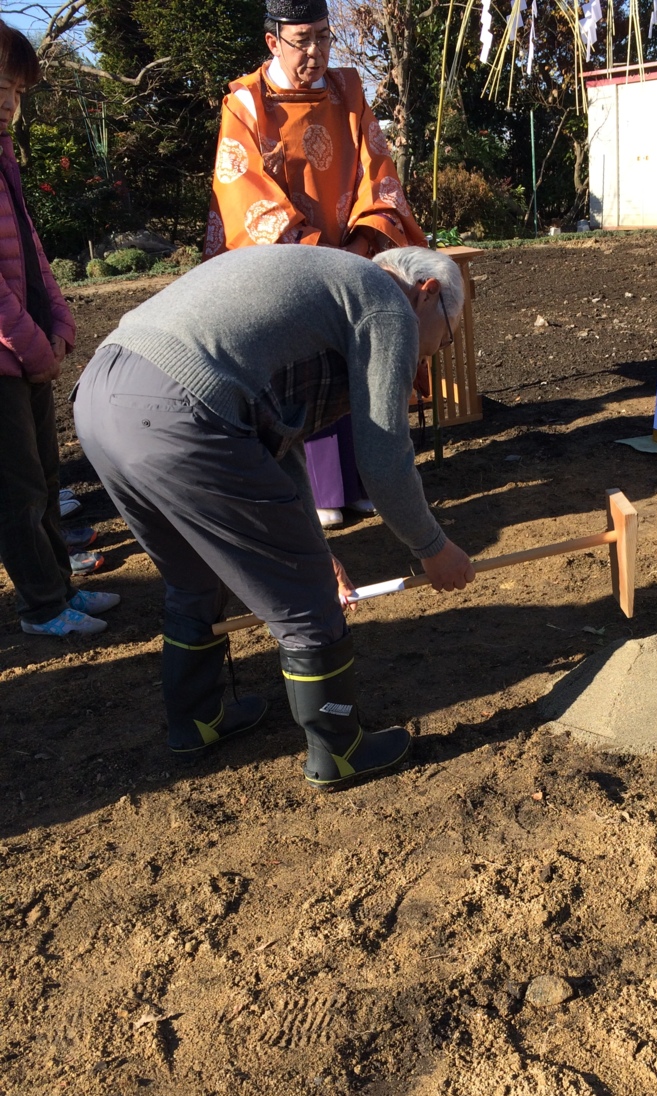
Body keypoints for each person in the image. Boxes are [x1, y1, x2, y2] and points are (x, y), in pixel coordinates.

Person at [72, 244, 475, 788]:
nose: (429, 357)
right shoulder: (387, 304)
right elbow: (383, 459)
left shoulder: (325, 289)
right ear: (426, 293)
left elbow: (272, 447)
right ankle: (340, 751)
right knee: (306, 601)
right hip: (182, 409)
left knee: (196, 575)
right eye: (442, 339)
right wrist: (433, 547)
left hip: (102, 396)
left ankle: (198, 722)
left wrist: (316, 547)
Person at [204, 0, 428, 529]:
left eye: (324, 38)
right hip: (286, 263)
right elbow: (243, 193)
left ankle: (363, 480)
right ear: (272, 41)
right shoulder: (245, 103)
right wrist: (319, 261)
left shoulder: (348, 90)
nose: (316, 52)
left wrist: (360, 247)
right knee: (303, 369)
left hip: (352, 249)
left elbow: (380, 174)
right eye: (302, 40)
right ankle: (322, 490)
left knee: (359, 357)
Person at [0, 22, 118, 637]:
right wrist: (29, 344)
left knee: (46, 478)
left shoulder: (4, 158)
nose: (7, 102)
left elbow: (30, 251)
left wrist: (62, 321)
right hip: (6, 359)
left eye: (15, 90)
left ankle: (61, 587)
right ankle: (42, 606)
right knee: (17, 489)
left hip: (26, 353)